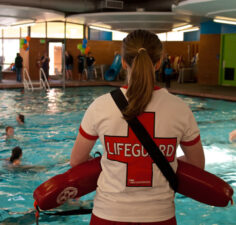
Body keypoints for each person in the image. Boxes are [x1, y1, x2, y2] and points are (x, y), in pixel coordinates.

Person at [70, 30, 205, 225]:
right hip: (160, 216)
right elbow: (197, 163)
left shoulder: (100, 106)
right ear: (158, 63)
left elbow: (76, 160)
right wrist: (165, 163)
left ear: (123, 62)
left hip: (108, 215)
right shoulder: (180, 109)